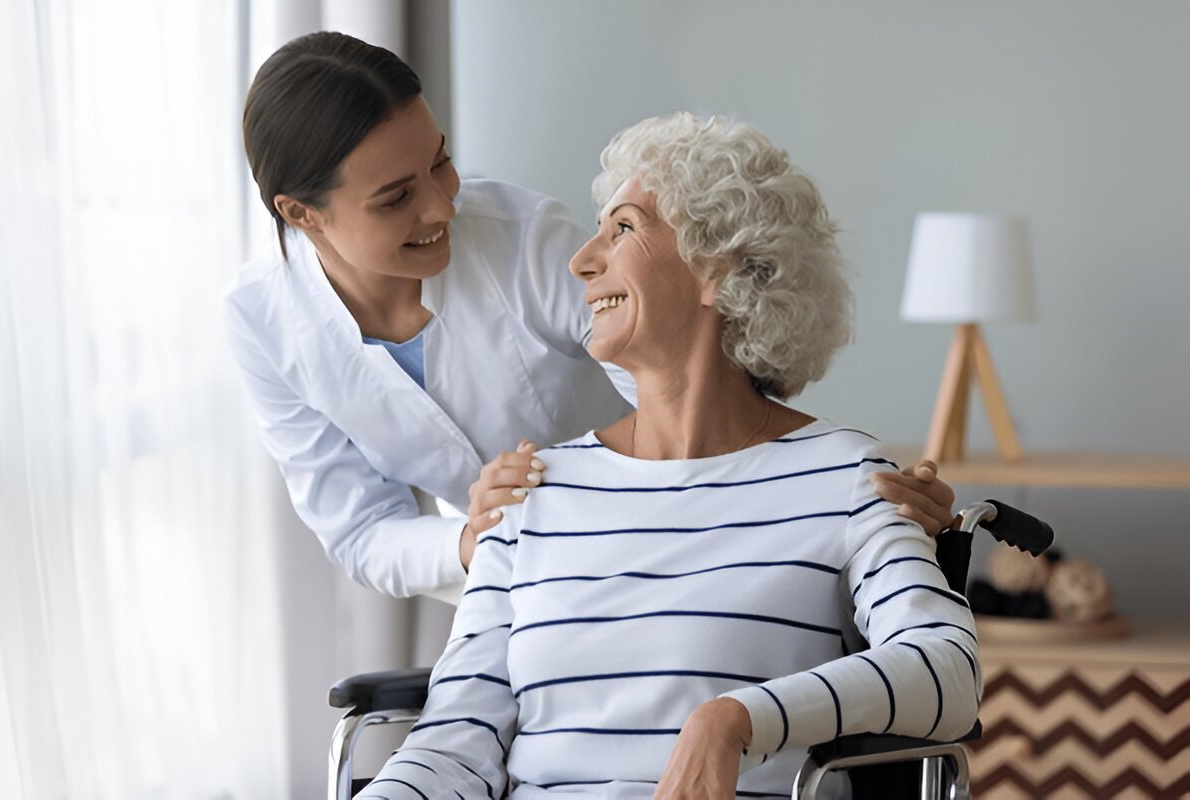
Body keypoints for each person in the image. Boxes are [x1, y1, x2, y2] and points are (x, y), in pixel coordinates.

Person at [354, 113, 981, 799]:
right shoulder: (534, 495)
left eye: (622, 228)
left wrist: (736, 720)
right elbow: (452, 745)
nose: (582, 260)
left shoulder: (845, 480)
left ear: (720, 266)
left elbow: (945, 670)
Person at [225, 31, 956, 604]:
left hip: (681, 536)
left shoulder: (517, 235)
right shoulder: (263, 323)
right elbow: (360, 533)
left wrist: (841, 492)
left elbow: (683, 385)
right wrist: (471, 541)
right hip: (518, 590)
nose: (443, 207)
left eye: (441, 164)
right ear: (301, 214)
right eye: (395, 198)